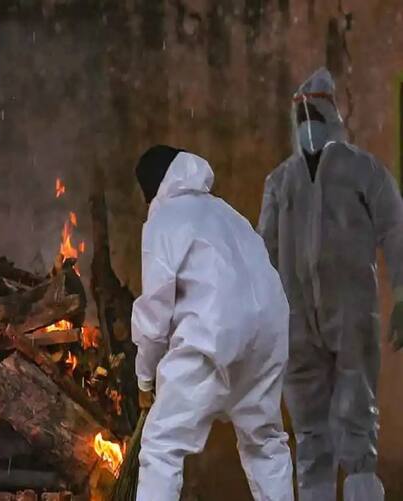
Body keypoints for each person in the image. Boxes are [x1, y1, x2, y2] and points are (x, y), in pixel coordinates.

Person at [258, 67, 403, 501]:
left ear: (332, 115)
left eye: (315, 116)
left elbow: (396, 228)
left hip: (351, 312)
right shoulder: (280, 182)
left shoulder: (363, 171)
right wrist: (259, 318)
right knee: (309, 428)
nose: (309, 127)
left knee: (357, 416)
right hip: (296, 322)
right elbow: (262, 252)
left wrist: (402, 294)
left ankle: (360, 487)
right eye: (301, 118)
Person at [132, 146, 294, 501]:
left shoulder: (164, 220)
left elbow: (154, 315)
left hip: (212, 336)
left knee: (162, 446)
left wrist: (145, 377)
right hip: (268, 337)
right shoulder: (227, 213)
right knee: (265, 443)